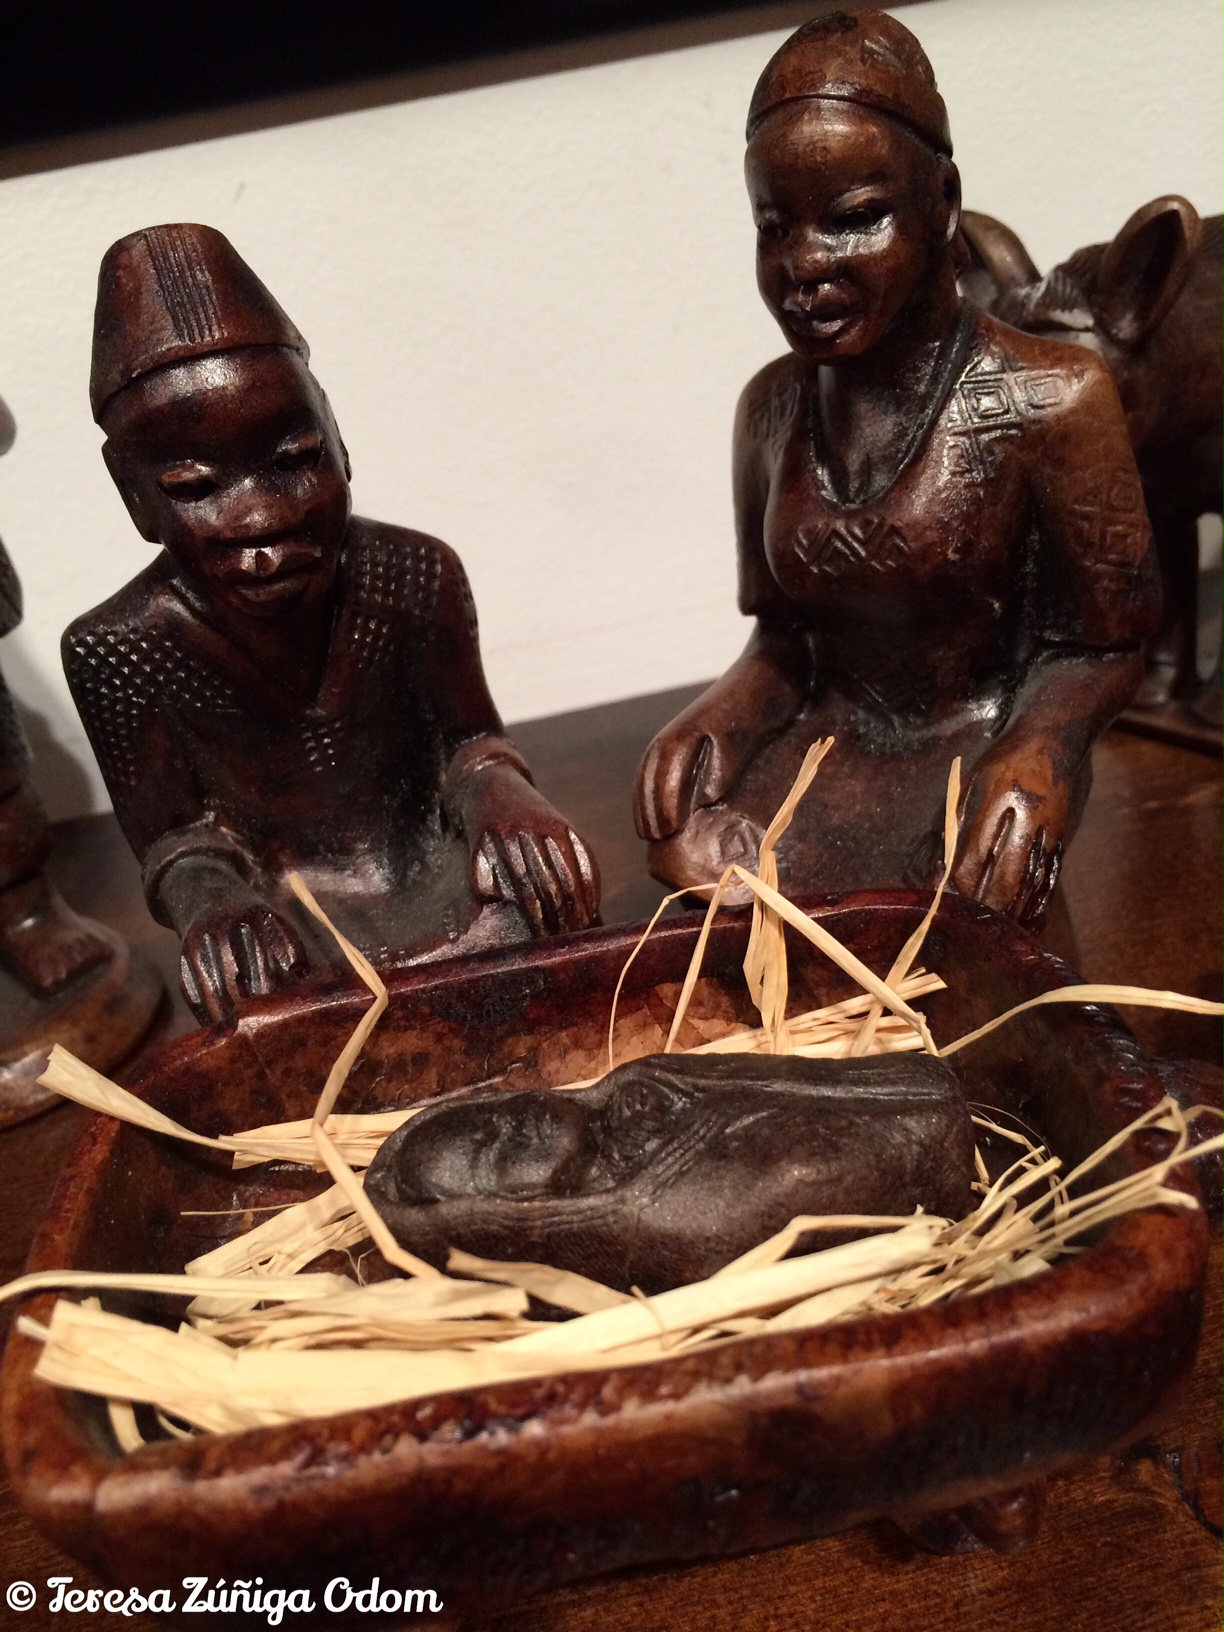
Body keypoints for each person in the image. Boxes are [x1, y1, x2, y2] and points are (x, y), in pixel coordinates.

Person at [634, 10, 1158, 928]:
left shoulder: (1052, 399)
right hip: (826, 754)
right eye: (773, 227)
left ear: (942, 202)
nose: (804, 264)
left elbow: (1103, 650)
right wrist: (717, 718)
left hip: (979, 745)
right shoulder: (770, 409)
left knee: (958, 911)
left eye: (854, 219)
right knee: (687, 848)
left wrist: (1042, 749)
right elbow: (784, 642)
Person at [67, 225, 599, 1024]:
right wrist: (214, 904)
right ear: (133, 493)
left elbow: (470, 746)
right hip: (290, 917)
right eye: (196, 486)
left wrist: (506, 798)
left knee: (547, 900)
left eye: (294, 460)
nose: (260, 517)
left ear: (338, 438)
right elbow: (178, 844)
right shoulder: (118, 650)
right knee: (251, 996)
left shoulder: (414, 572)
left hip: (430, 872)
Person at [364, 1050, 974, 1293]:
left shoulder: (632, 1085)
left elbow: (756, 1077)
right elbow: (773, 1183)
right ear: (508, 1213)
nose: (516, 1123)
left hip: (901, 1086)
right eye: (497, 1153)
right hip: (903, 1155)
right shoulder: (645, 1221)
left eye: (494, 1117)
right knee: (806, 1170)